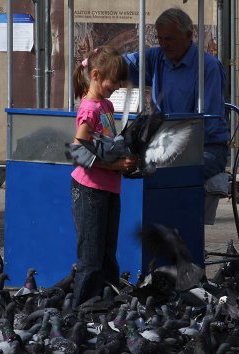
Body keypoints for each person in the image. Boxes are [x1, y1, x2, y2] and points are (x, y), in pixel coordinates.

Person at [123, 7, 230, 181]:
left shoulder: (208, 67)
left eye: (170, 39)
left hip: (205, 147)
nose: (164, 44)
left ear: (189, 36)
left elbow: (207, 124)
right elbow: (121, 64)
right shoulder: (157, 57)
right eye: (161, 38)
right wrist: (99, 61)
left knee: (167, 174)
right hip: (163, 142)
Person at [70, 46, 138, 308]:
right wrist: (116, 166)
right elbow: (78, 151)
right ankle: (82, 309)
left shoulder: (106, 105)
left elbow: (106, 146)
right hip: (89, 190)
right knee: (91, 255)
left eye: (122, 81)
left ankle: (108, 303)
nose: (119, 86)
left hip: (108, 188)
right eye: (115, 81)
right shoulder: (90, 110)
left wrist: (127, 160)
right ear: (96, 75)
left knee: (108, 252)